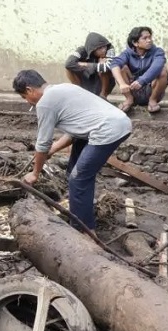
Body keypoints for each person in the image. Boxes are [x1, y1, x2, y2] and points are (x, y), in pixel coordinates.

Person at [13, 70, 131, 230]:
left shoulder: (45, 102)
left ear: (29, 90)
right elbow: (77, 130)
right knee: (74, 172)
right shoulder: (65, 88)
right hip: (119, 123)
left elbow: (42, 143)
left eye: (24, 97)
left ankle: (84, 230)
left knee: (78, 179)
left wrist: (35, 173)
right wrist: (54, 149)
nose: (27, 102)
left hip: (106, 130)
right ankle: (82, 209)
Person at [110, 26, 168, 113]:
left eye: (150, 37)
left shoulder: (158, 52)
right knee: (121, 68)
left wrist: (142, 80)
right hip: (133, 90)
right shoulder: (127, 54)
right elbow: (114, 64)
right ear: (135, 43)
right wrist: (122, 84)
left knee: (162, 70)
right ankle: (129, 99)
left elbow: (157, 65)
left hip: (151, 90)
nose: (149, 40)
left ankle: (152, 100)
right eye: (145, 38)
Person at [65, 32, 115, 98]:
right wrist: (87, 67)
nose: (103, 50)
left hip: (103, 82)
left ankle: (103, 96)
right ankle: (80, 93)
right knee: (68, 69)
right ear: (92, 49)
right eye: (100, 48)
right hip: (87, 79)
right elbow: (68, 63)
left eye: (104, 47)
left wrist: (86, 64)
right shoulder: (81, 50)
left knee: (103, 66)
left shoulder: (110, 48)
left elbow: (107, 67)